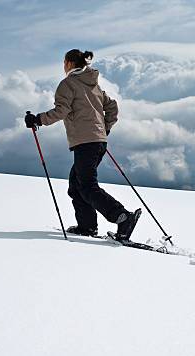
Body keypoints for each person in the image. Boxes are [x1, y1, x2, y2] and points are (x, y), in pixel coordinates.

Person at [25, 49, 141, 241]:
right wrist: (105, 128)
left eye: (64, 62)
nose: (63, 66)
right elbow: (112, 106)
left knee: (86, 185)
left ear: (69, 63)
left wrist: (38, 119)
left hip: (86, 142)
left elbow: (62, 110)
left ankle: (123, 217)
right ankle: (87, 227)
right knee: (76, 185)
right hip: (97, 141)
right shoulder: (93, 84)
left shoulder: (68, 84)